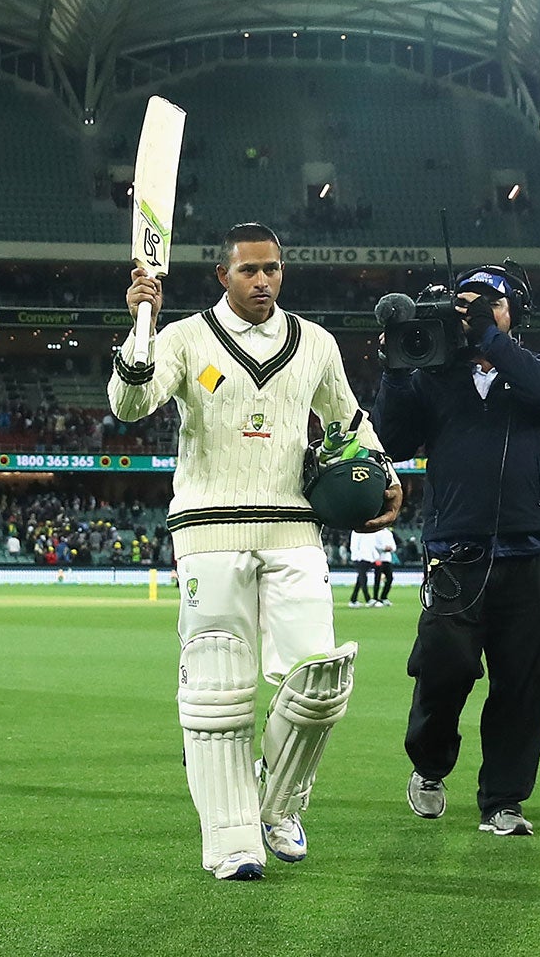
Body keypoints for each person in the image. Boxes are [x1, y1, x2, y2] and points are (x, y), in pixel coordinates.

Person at [113, 223, 400, 881]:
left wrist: (384, 471)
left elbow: (348, 422)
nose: (263, 279)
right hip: (208, 526)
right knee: (218, 685)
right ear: (223, 275)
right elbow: (131, 404)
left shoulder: (315, 344)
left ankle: (279, 803)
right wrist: (140, 328)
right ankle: (231, 837)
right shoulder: (182, 338)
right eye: (249, 270)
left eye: (272, 268)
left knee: (321, 682)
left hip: (292, 524)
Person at [374, 263, 540, 838]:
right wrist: (395, 367)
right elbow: (390, 441)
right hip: (454, 554)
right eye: (465, 302)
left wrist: (490, 337)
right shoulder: (434, 378)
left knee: (524, 683)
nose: (473, 309)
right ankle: (430, 765)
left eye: (490, 302)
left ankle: (503, 801)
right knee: (443, 668)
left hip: (527, 556)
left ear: (517, 314)